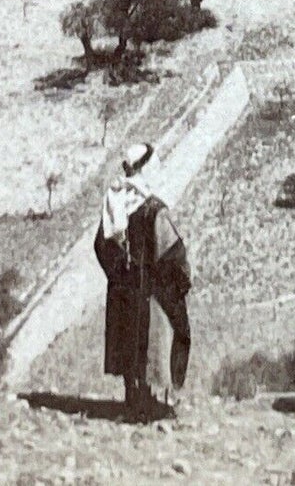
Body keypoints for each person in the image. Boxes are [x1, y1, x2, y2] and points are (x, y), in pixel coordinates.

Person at [94, 142, 191, 419]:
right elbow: (172, 251)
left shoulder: (114, 202)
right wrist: (177, 282)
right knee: (151, 344)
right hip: (149, 291)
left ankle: (132, 399)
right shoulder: (153, 209)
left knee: (127, 341)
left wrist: (118, 277)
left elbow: (100, 245)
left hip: (122, 292)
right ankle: (148, 405)